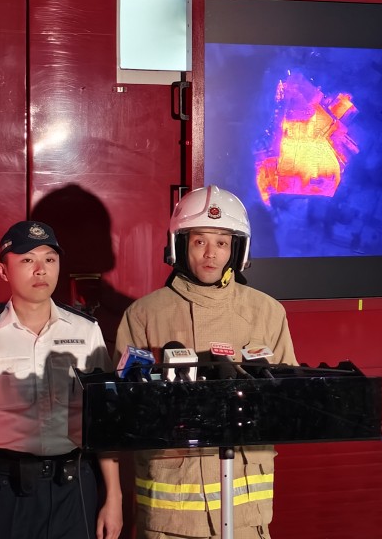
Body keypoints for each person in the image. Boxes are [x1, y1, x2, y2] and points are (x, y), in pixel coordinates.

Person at [115, 185, 297, 539]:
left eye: (222, 242)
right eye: (199, 241)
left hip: (246, 512)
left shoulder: (267, 313)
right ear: (179, 245)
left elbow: (287, 404)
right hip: (171, 517)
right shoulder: (144, 315)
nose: (211, 254)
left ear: (237, 250)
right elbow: (123, 412)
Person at [0, 220, 123, 539]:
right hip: (6, 491)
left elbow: (102, 421)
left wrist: (113, 498)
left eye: (49, 259)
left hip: (73, 490)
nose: (40, 270)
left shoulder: (85, 331)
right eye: (26, 260)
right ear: (3, 271)